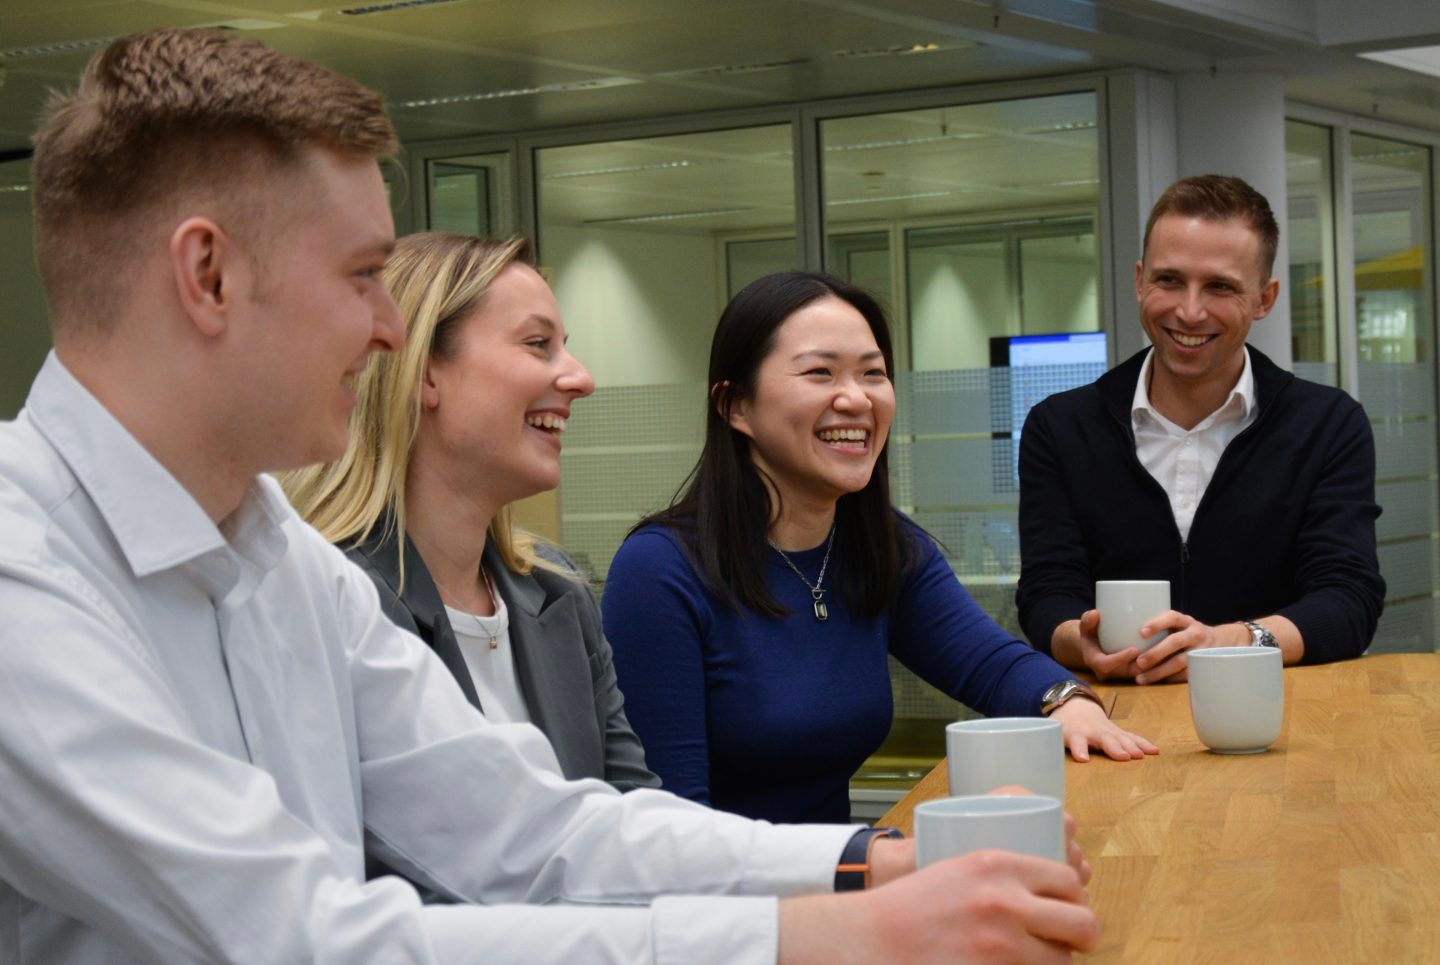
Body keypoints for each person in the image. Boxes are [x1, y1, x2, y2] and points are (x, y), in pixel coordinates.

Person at [0, 27, 1101, 963]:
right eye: (358, 276)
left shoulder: (271, 546)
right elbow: (308, 935)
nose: (388, 327)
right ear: (208, 275)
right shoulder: (24, 575)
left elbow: (531, 828)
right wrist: (823, 930)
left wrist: (869, 857)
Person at [601, 270, 1158, 826]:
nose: (856, 398)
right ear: (735, 406)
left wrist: (1067, 699)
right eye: (820, 373)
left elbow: (988, 663)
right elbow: (670, 827)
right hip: (736, 900)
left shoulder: (878, 542)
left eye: (873, 373)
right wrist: (867, 862)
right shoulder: (659, 572)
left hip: (841, 878)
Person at [282, 232, 659, 799]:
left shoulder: (557, 591)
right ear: (424, 371)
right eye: (538, 344)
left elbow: (632, 816)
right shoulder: (323, 594)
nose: (581, 379)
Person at [1015, 174, 1386, 685]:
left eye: (1220, 286)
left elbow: (1349, 600)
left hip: (1283, 722)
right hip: (1118, 722)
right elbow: (1045, 591)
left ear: (1264, 298)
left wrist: (1226, 644)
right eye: (1170, 280)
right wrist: (1079, 641)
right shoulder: (1060, 427)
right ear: (1140, 280)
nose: (1190, 311)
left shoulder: (1326, 424)